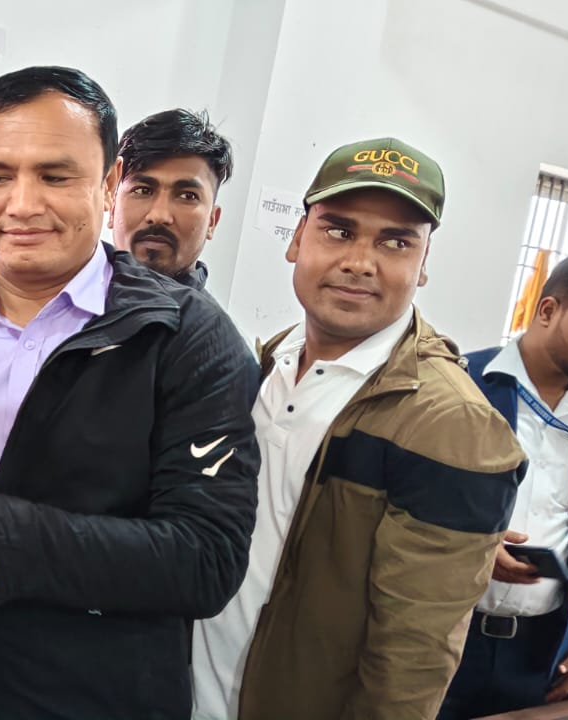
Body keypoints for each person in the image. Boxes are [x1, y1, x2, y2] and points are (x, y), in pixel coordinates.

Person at [0, 65, 260, 720]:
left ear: (108, 184)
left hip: (100, 699)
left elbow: (205, 559)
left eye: (54, 176)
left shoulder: (185, 339)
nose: (22, 204)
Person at [190, 138, 524, 720]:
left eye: (396, 242)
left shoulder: (450, 422)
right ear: (298, 238)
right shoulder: (265, 364)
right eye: (338, 231)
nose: (360, 262)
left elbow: (412, 661)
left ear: (424, 263)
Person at [440, 250, 568, 718]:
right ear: (548, 310)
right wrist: (472, 546)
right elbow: (408, 501)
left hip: (539, 647)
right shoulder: (460, 381)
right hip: (443, 630)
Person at [108, 108, 232, 289]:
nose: (159, 216)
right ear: (112, 207)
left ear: (212, 222)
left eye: (187, 196)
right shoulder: (71, 294)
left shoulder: (205, 312)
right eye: (142, 191)